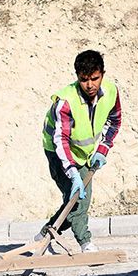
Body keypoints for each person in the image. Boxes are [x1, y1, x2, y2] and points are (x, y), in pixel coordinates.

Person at [35, 50, 122, 253]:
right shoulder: (65, 102)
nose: (90, 85)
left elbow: (115, 120)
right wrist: (73, 172)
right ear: (77, 77)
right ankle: (85, 243)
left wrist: (103, 148)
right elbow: (61, 140)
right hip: (59, 152)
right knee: (78, 199)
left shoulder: (111, 91)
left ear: (103, 74)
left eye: (95, 78)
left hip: (85, 152)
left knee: (77, 200)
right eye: (84, 80)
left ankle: (43, 236)